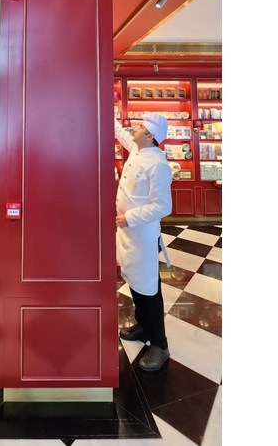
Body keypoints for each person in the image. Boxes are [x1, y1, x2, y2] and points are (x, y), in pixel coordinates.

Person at [115, 112, 173, 372]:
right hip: (128, 234)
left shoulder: (157, 164)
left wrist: (129, 217)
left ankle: (160, 344)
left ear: (149, 135)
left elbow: (163, 206)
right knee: (135, 284)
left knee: (149, 290)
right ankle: (143, 326)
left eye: (139, 127)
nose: (134, 129)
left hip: (142, 236)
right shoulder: (137, 150)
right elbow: (120, 132)